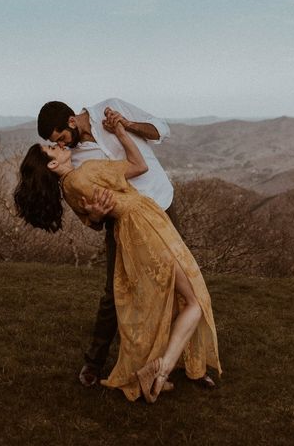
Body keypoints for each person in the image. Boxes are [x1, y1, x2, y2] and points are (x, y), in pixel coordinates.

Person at [15, 117, 222, 402]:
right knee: (195, 300)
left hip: (132, 232)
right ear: (52, 164)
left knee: (169, 298)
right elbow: (139, 165)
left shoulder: (68, 188)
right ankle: (159, 373)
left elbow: (91, 220)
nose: (60, 145)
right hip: (146, 227)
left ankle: (166, 368)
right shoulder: (86, 172)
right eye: (53, 147)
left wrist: (98, 215)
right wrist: (121, 133)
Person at [36, 98, 182, 388]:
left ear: (71, 121)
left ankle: (187, 360)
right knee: (115, 291)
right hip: (122, 222)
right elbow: (91, 216)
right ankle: (94, 362)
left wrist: (126, 126)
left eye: (62, 138)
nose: (62, 145)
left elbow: (161, 130)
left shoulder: (112, 107)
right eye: (57, 144)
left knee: (179, 280)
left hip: (160, 203)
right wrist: (96, 215)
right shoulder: (73, 162)